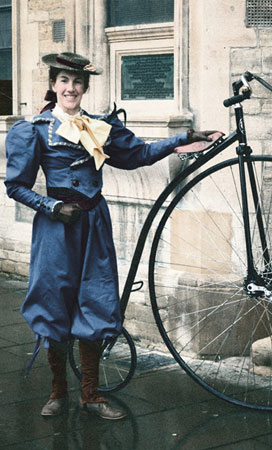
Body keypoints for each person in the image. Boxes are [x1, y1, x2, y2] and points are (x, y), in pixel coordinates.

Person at [4, 52, 215, 419]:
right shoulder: (34, 129)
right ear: (53, 86)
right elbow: (16, 186)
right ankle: (57, 391)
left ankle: (90, 394)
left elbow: (139, 155)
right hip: (56, 229)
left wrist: (183, 139)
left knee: (96, 299)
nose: (71, 89)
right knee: (54, 302)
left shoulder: (98, 126)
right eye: (64, 82)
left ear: (85, 88)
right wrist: (52, 207)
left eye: (78, 83)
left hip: (93, 225)